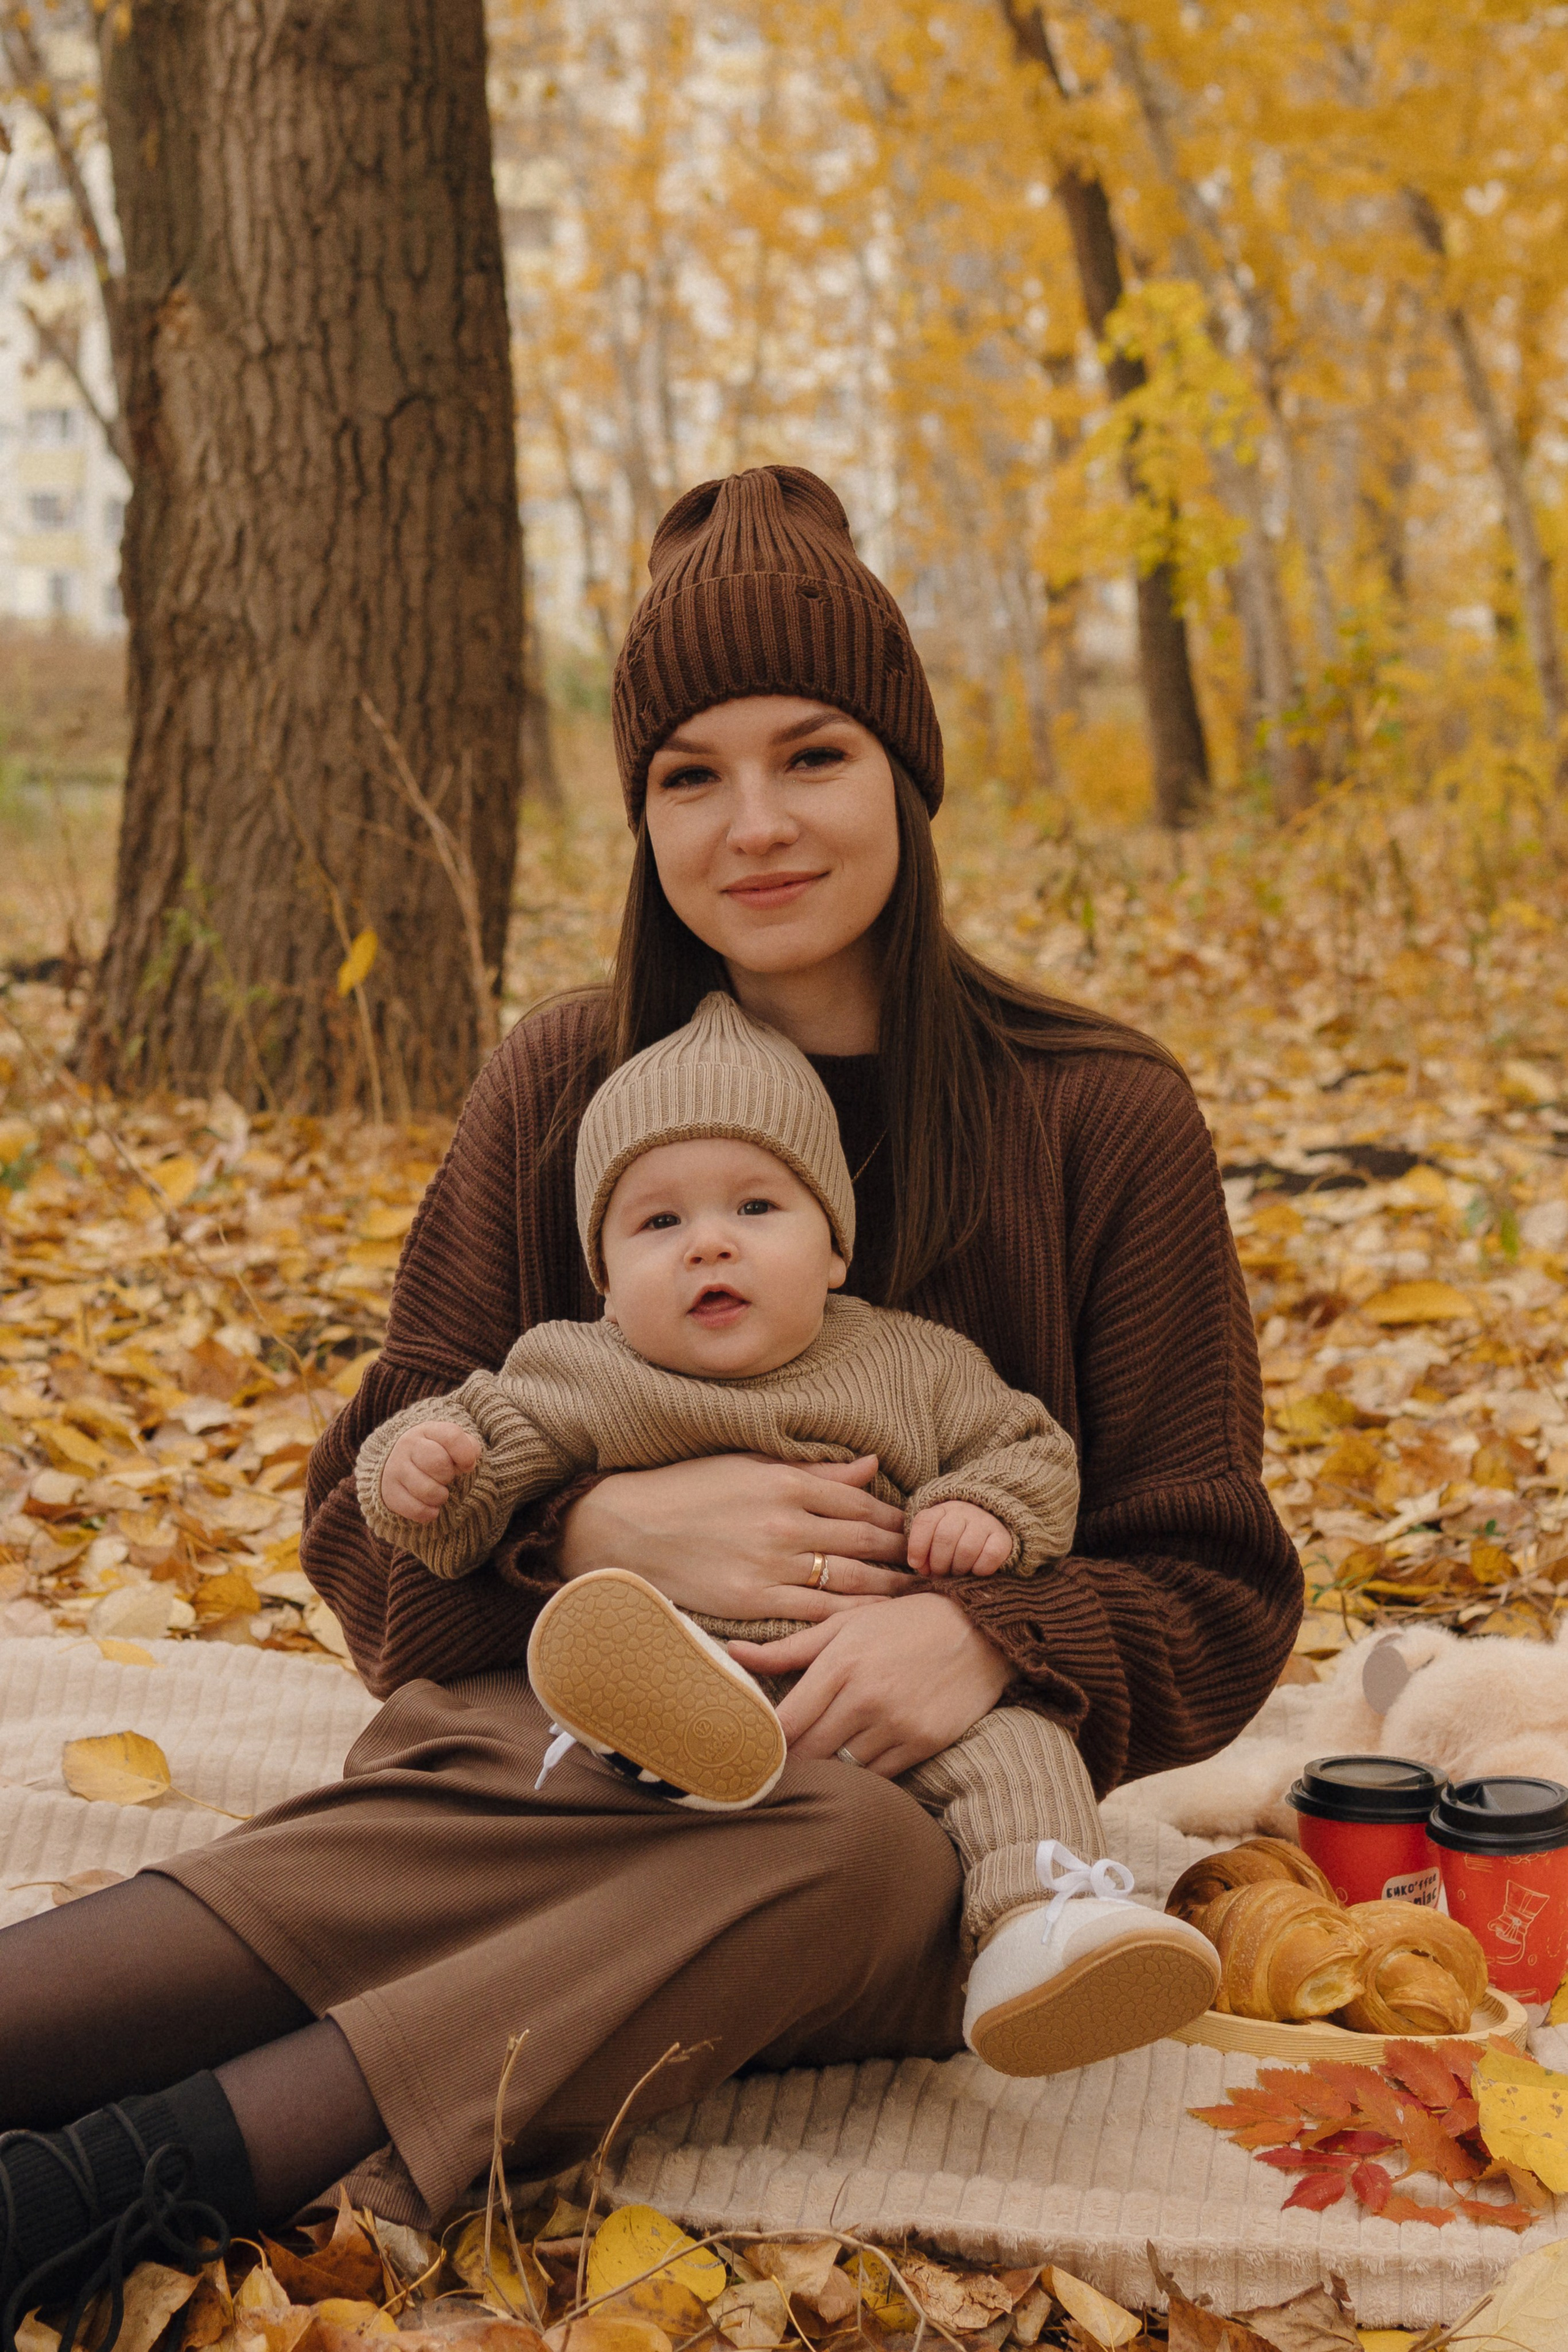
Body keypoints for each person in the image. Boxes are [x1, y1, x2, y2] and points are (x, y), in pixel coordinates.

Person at [0, 466, 1301, 2346]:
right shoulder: (562, 1084)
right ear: (640, 815)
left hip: (910, 1839)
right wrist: (577, 1528)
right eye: (690, 774)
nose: (754, 824)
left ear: (905, 778)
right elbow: (366, 1537)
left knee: (851, 1851)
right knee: (510, 1819)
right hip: (550, 1755)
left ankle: (118, 2184)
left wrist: (988, 1636)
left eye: (814, 755)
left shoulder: (1101, 1115)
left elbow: (1219, 1583)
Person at [357, 987, 1223, 2070]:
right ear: (605, 1278)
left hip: (871, 1695)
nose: (709, 1245)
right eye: (659, 1222)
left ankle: (1041, 1930)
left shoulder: (911, 1364)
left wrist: (982, 1511)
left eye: (757, 1210)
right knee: (570, 1715)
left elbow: (1033, 1452)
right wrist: (422, 1469)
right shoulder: (579, 1370)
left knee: (1020, 1750)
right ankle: (665, 1756)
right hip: (671, 1670)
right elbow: (470, 1476)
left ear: (835, 1250)